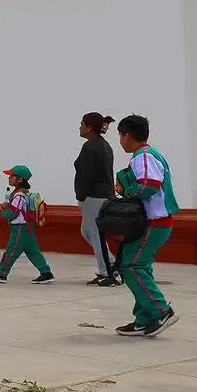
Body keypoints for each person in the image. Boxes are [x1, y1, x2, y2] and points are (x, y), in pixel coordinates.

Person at [113, 114, 179, 337]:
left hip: (155, 222)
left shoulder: (143, 156)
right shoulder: (151, 154)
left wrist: (126, 192)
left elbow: (149, 185)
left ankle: (160, 311)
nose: (120, 141)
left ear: (127, 135)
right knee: (140, 266)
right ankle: (144, 318)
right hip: (157, 222)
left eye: (120, 136)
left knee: (131, 266)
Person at [0, 165, 53, 284]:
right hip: (28, 227)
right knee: (33, 251)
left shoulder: (18, 195)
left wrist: (3, 210)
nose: (9, 178)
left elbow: (13, 213)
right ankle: (46, 273)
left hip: (20, 228)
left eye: (12, 176)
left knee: (12, 250)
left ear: (20, 180)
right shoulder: (25, 193)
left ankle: (2, 273)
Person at [75, 112, 119, 286]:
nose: (80, 127)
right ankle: (112, 264)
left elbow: (87, 174)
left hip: (94, 196)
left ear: (89, 127)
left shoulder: (91, 147)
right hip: (102, 195)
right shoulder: (103, 145)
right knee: (87, 232)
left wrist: (81, 195)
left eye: (82, 124)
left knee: (94, 233)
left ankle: (107, 273)